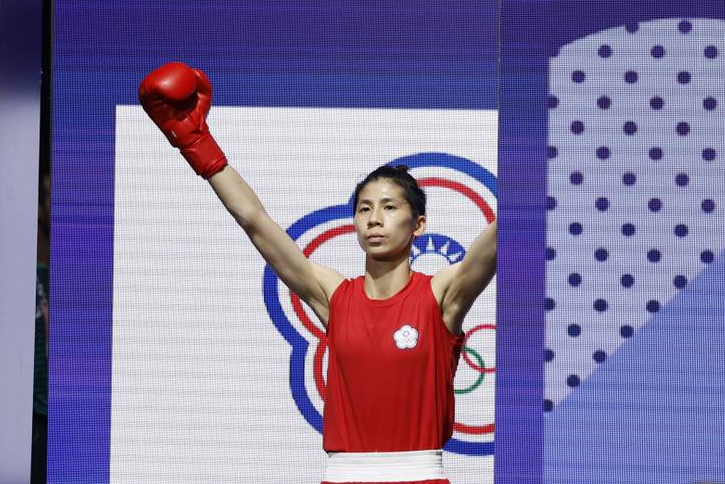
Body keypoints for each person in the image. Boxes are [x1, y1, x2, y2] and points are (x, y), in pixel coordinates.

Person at [138, 62, 497, 484]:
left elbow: (505, 230)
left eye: (389, 207)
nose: (374, 219)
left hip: (420, 474)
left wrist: (539, 141)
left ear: (418, 224)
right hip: (340, 476)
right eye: (364, 208)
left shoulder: (441, 295)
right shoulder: (334, 295)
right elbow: (255, 222)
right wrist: (197, 144)